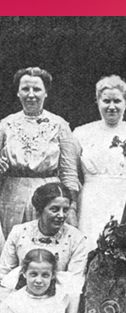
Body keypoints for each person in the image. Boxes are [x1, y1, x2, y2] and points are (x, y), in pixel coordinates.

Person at [0, 183, 87, 313]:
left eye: (65, 209)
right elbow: (2, 278)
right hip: (19, 304)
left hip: (55, 310)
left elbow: (74, 288)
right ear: (40, 209)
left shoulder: (76, 238)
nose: (61, 215)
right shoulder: (19, 232)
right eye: (54, 209)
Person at [0, 67, 80, 240]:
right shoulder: (5, 125)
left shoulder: (59, 125)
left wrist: (70, 208)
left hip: (51, 196)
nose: (31, 95)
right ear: (17, 93)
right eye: (25, 89)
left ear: (45, 93)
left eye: (36, 89)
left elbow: (69, 173)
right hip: (13, 196)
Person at [73, 75, 126, 249]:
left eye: (117, 101)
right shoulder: (81, 133)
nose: (111, 106)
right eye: (106, 101)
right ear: (97, 101)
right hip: (92, 202)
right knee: (93, 248)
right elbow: (72, 174)